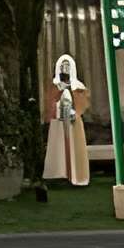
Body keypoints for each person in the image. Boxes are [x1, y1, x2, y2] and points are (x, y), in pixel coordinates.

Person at [43, 53, 91, 186]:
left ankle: (76, 176)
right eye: (63, 66)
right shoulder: (55, 85)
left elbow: (83, 102)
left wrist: (75, 111)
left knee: (74, 148)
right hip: (58, 122)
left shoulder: (78, 86)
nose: (65, 68)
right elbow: (50, 101)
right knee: (59, 148)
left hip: (73, 121)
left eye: (68, 66)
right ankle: (58, 176)